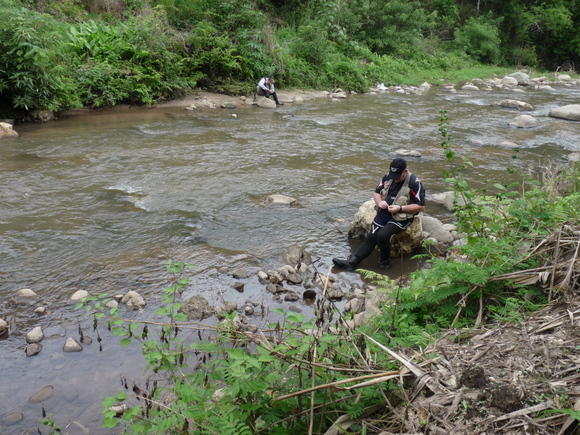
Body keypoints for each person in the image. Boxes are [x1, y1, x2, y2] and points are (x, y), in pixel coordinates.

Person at [332, 158, 426, 271]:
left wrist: (400, 208)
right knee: (371, 236)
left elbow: (421, 206)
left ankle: (384, 262)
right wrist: (380, 202)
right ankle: (352, 263)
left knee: (383, 235)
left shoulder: (414, 183)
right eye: (393, 175)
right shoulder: (388, 177)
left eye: (398, 176)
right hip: (385, 213)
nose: (395, 179)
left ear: (405, 171)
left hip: (402, 217)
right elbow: (376, 193)